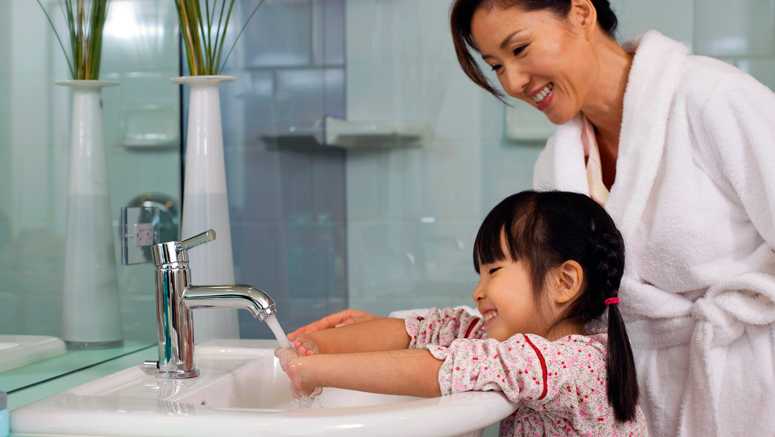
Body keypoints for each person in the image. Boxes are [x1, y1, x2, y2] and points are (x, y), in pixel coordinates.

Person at [293, 1, 775, 435]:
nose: (513, 82)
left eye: (520, 48)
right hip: (634, 392)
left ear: (581, 14)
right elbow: (537, 304)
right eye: (496, 65)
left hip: (742, 388)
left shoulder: (712, 99)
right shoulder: (557, 163)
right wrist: (384, 330)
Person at [277, 191, 648, 436]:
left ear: (564, 282)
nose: (478, 290)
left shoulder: (575, 362)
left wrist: (313, 370)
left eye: (494, 270)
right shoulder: (515, 344)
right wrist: (316, 345)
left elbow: (440, 369)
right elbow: (424, 331)